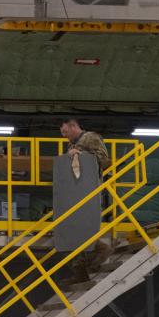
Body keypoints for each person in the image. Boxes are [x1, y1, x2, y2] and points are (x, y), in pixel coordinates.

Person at [59, 118, 113, 281]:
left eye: (65, 132)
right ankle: (81, 272)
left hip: (89, 192)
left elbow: (103, 160)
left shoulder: (91, 138)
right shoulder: (72, 146)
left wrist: (80, 155)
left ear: (73, 126)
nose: (64, 136)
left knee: (79, 231)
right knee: (71, 231)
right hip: (77, 192)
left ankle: (101, 251)